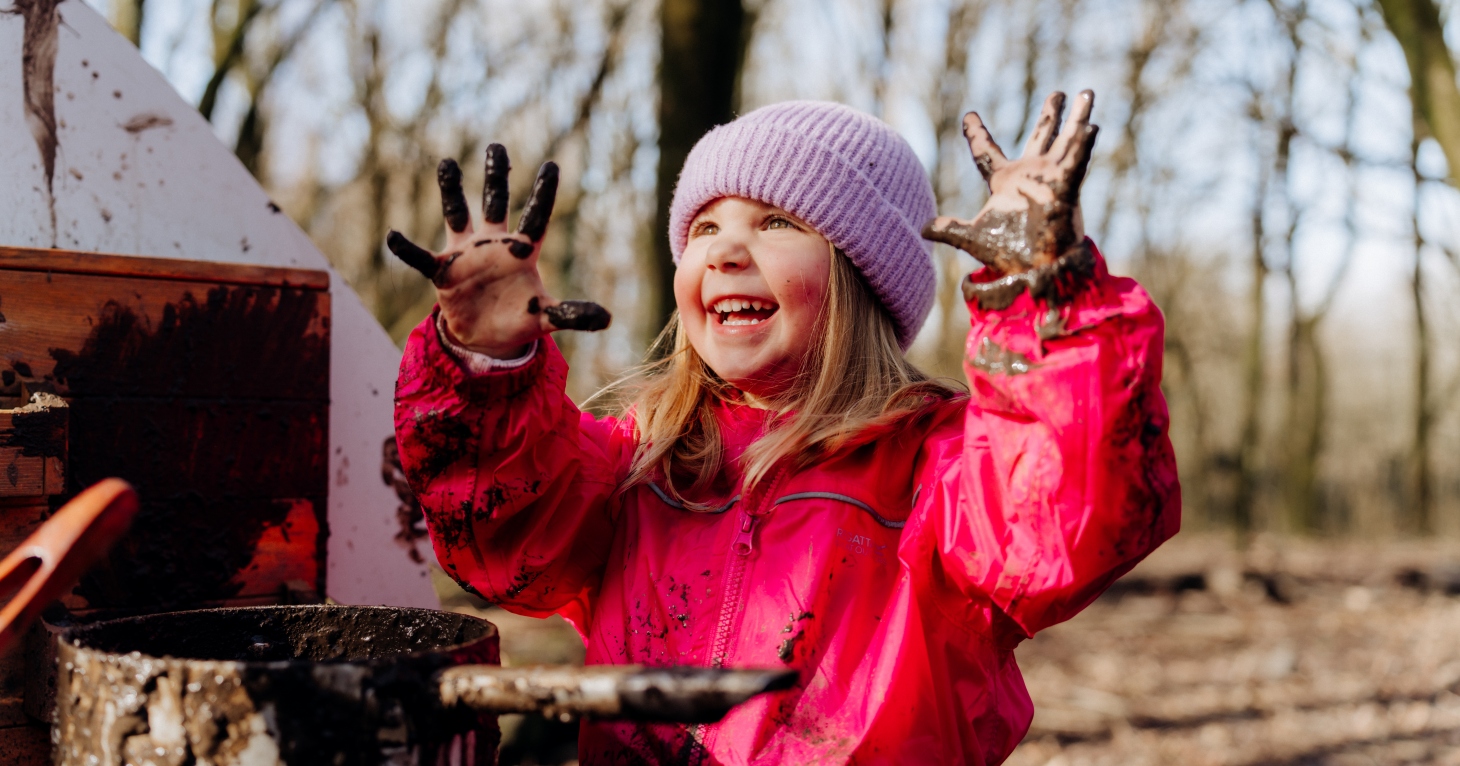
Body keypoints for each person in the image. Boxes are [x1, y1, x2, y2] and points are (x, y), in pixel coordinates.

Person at [388, 91, 1179, 765]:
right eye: (703, 229)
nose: (728, 249)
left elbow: (1066, 519)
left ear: (862, 277)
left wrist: (1040, 296)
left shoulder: (936, 469)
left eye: (774, 222)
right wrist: (486, 366)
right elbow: (502, 538)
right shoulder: (638, 464)